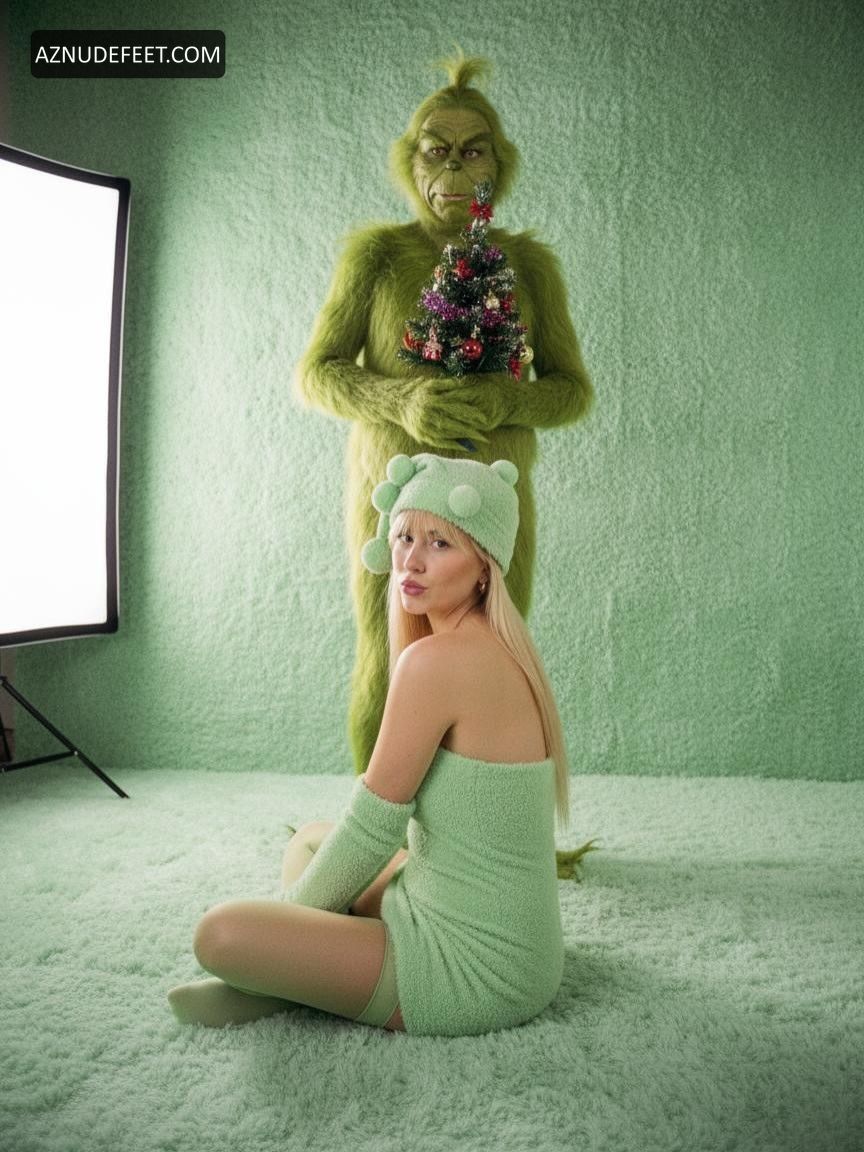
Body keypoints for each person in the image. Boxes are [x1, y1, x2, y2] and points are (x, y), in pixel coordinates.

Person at [168, 454, 569, 1035]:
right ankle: (311, 974)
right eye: (404, 537)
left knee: (221, 933)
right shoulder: (499, 646)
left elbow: (372, 828)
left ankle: (285, 982)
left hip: (475, 970)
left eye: (440, 543)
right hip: (498, 933)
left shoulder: (437, 661)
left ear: (485, 567)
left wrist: (275, 945)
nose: (411, 560)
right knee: (309, 839)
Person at [294, 51, 592, 778]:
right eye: (437, 149)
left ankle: (485, 820)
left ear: (499, 165)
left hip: (493, 503)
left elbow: (571, 390)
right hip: (391, 498)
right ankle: (380, 820)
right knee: (389, 651)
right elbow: (316, 374)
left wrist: (507, 398)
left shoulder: (528, 266)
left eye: (473, 151)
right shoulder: (375, 256)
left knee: (494, 654)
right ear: (411, 161)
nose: (454, 166)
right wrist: (398, 399)